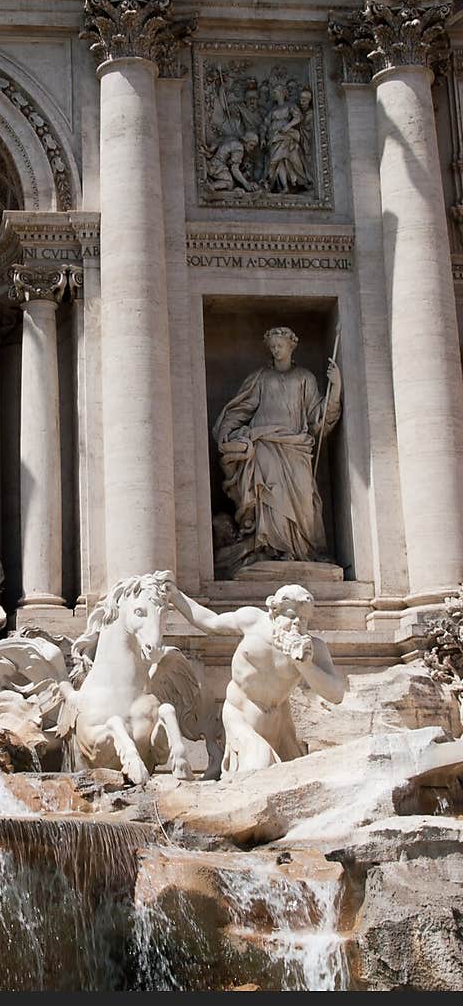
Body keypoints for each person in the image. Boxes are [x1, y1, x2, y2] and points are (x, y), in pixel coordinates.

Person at [165, 580, 345, 775]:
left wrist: (305, 665)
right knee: (258, 768)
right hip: (239, 715)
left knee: (291, 778)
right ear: (275, 613)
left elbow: (336, 694)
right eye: (292, 616)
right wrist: (175, 596)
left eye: (304, 619)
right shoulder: (252, 620)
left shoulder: (314, 649)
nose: (297, 623)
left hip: (278, 724)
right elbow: (211, 622)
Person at [213, 326, 341, 571]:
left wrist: (335, 388)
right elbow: (241, 409)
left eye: (279, 345)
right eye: (272, 346)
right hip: (264, 444)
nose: (275, 350)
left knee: (304, 495)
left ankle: (303, 549)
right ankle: (270, 548)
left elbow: (318, 419)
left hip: (296, 446)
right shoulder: (260, 377)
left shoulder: (305, 378)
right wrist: (227, 431)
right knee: (269, 496)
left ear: (291, 346)